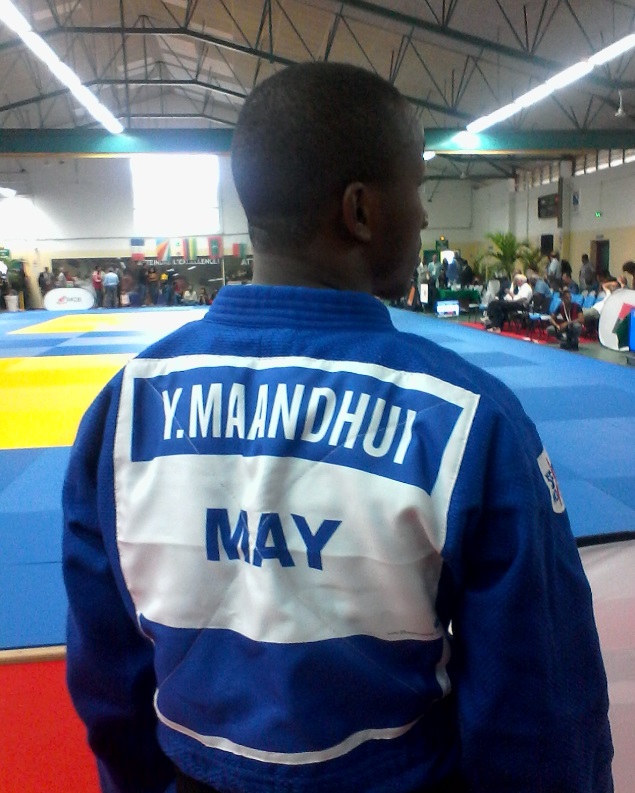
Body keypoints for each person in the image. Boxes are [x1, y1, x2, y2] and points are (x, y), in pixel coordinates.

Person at [62, 62, 613, 793]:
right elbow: (537, 713)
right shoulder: (467, 421)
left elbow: (109, 676)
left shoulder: (123, 411)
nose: (423, 217)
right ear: (359, 211)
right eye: (416, 190)